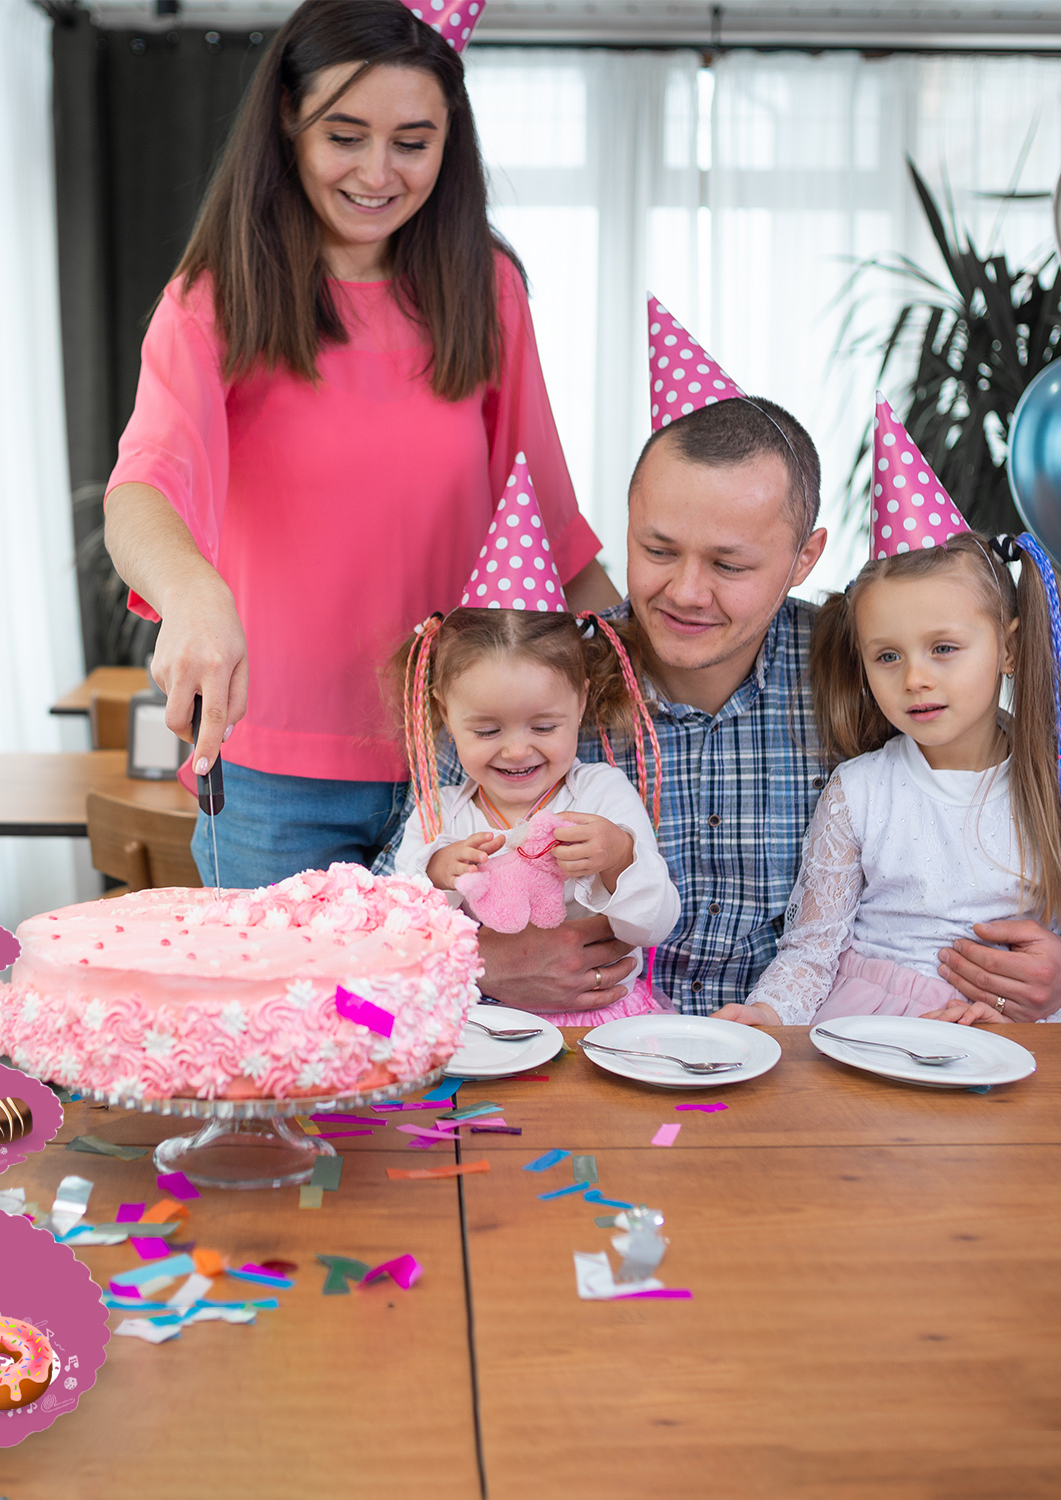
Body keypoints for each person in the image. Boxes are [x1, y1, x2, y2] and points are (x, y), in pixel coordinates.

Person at [102, 0, 615, 889]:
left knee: (437, 1016)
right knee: (318, 1012)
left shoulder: (485, 291)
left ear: (449, 143)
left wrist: (684, 651)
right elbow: (142, 487)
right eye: (346, 135)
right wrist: (191, 593)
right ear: (289, 127)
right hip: (273, 779)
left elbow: (548, 526)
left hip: (463, 766)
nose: (379, 172)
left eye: (412, 142)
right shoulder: (217, 300)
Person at [379, 298, 831, 1015]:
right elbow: (378, 918)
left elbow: (965, 832)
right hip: (560, 1064)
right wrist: (484, 963)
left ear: (805, 557)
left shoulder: (857, 671)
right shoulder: (525, 680)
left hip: (777, 1062)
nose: (685, 592)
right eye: (656, 550)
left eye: (729, 564)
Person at [715, 403, 1061, 1028]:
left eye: (945, 649)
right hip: (873, 1027)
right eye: (888, 656)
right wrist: (767, 1013)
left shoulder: (1050, 781)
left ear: (1009, 647)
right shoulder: (860, 793)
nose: (917, 678)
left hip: (1014, 1032)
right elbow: (812, 950)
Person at [389, 604, 680, 1025]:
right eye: (487, 731)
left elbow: (654, 927)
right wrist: (435, 875)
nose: (517, 751)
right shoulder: (437, 815)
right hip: (478, 1024)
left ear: (580, 702)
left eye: (543, 727)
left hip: (597, 1020)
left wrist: (619, 857)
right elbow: (401, 932)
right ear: (445, 712)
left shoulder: (601, 793)